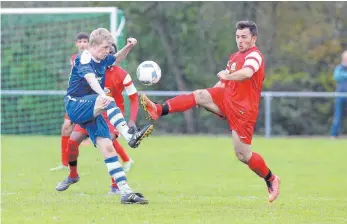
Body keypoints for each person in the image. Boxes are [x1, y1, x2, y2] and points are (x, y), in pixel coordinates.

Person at [141, 21, 280, 203]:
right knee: (199, 95)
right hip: (228, 98)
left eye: (244, 37)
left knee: (243, 155)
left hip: (244, 110)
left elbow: (246, 73)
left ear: (254, 38)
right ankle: (158, 109)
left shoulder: (255, 56)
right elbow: (224, 83)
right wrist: (210, 97)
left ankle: (271, 178)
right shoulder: (234, 56)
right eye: (237, 37)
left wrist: (226, 76)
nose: (240, 41)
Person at [57, 28, 152, 204]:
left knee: (107, 146)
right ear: (93, 46)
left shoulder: (103, 58)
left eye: (109, 47)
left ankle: (125, 192)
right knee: (106, 101)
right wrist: (103, 96)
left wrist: (128, 47)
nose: (108, 50)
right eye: (106, 47)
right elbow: (91, 79)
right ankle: (130, 135)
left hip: (92, 108)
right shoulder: (85, 58)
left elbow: (116, 59)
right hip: (75, 104)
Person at [64, 43, 139, 195]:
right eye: (105, 49)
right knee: (72, 142)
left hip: (112, 116)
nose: (107, 53)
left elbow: (134, 98)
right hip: (91, 110)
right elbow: (82, 86)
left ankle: (119, 187)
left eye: (110, 51)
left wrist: (131, 120)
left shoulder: (122, 74)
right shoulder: (92, 65)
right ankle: (72, 175)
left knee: (108, 144)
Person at [50, 32, 89, 171]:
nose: (83, 44)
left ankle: (125, 160)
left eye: (85, 41)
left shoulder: (93, 58)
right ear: (76, 44)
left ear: (89, 44)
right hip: (76, 98)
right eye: (80, 41)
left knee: (106, 135)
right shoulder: (74, 58)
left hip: (89, 98)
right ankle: (65, 163)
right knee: (66, 127)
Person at [331, 50, 347, 138]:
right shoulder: (339, 68)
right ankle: (334, 135)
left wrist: (343, 76)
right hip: (340, 96)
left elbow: (341, 77)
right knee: (337, 117)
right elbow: (336, 77)